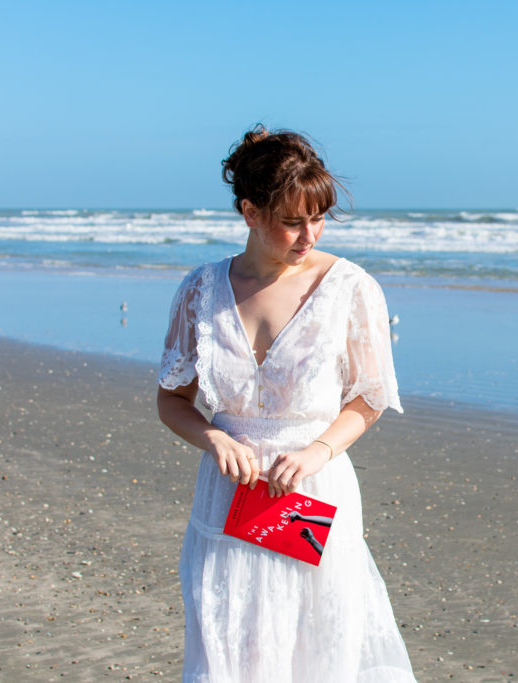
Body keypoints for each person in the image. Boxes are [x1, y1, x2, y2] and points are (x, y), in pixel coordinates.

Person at [156, 125, 416, 682]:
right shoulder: (201, 290)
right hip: (228, 498)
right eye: (292, 221)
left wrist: (319, 451)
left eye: (318, 218)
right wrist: (214, 437)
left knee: (320, 647)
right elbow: (172, 400)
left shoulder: (351, 287)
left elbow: (368, 398)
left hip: (311, 492)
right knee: (232, 645)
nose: (309, 235)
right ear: (250, 212)